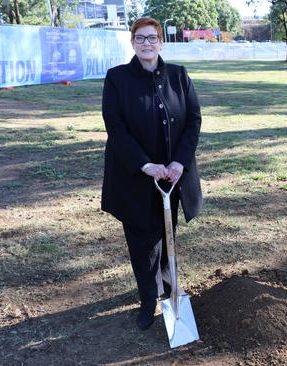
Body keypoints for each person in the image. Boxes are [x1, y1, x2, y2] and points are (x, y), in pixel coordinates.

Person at [101, 17, 203, 330]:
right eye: (141, 38)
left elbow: (193, 121)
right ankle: (148, 298)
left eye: (153, 38)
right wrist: (145, 165)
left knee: (167, 233)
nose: (147, 43)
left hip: (172, 177)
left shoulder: (179, 75)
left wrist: (179, 163)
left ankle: (171, 290)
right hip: (135, 174)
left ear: (161, 42)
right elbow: (115, 127)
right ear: (132, 42)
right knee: (143, 240)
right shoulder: (117, 78)